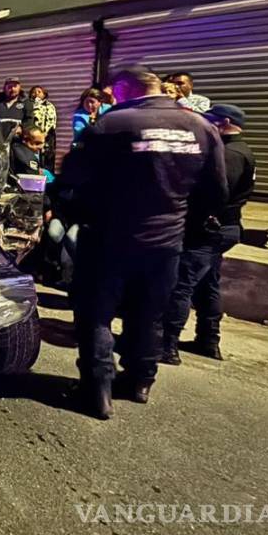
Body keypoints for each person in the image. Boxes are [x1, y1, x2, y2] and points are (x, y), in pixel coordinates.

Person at [56, 65, 227, 419]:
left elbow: (70, 182)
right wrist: (180, 224)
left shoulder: (111, 124)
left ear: (124, 89)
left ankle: (96, 391)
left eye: (113, 94)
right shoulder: (201, 127)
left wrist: (77, 214)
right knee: (148, 315)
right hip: (165, 244)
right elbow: (215, 193)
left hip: (107, 240)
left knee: (95, 315)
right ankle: (139, 382)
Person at [160, 104, 256, 364]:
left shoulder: (229, 154)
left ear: (224, 123)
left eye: (210, 120)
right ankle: (208, 341)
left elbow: (216, 194)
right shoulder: (236, 150)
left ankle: (166, 346)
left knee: (181, 285)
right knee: (207, 284)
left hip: (209, 230)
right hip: (220, 229)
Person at [30, 86, 58, 172]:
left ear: (44, 94)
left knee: (46, 159)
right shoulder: (28, 105)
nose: (36, 93)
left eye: (39, 92)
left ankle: (47, 178)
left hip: (47, 136)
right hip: (31, 136)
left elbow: (51, 121)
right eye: (34, 92)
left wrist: (44, 134)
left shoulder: (49, 105)